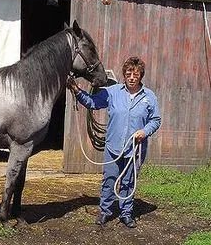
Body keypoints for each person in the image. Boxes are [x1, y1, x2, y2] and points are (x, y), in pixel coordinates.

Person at [66, 56, 161, 228]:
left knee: (128, 181)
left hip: (134, 149)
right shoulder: (113, 92)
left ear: (141, 76)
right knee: (109, 179)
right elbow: (92, 102)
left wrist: (144, 131)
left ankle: (126, 213)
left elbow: (155, 120)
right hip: (113, 146)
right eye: (128, 74)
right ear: (124, 75)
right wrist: (77, 90)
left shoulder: (149, 97)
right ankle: (105, 212)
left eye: (136, 74)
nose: (132, 77)